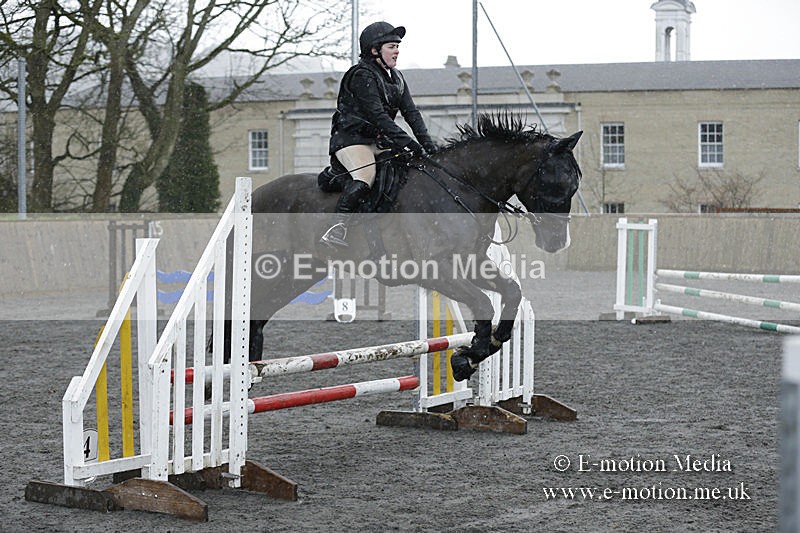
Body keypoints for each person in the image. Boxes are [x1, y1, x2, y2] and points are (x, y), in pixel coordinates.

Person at [320, 21, 438, 248]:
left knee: (409, 172)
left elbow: (412, 114)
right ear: (375, 50)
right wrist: (410, 143)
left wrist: (428, 146)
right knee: (366, 175)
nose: (397, 51)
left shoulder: (397, 78)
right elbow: (378, 117)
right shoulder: (361, 75)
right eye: (392, 46)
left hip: (378, 140)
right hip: (351, 139)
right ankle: (336, 228)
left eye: (397, 46)